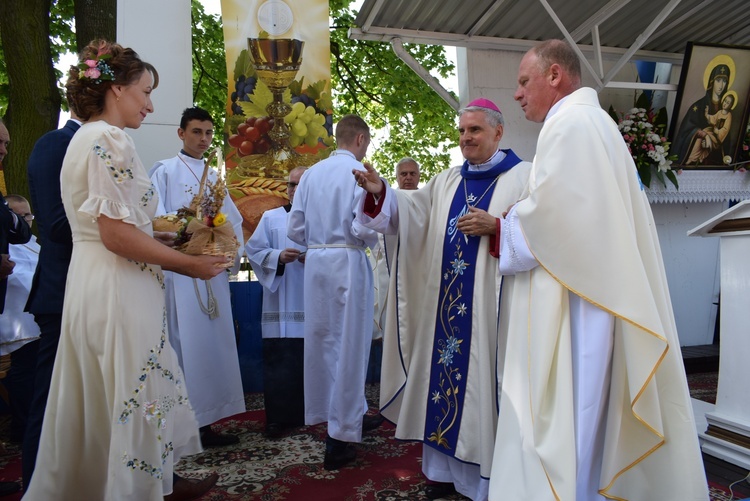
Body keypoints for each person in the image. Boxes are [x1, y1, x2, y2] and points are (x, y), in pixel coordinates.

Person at [487, 39, 708, 501]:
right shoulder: (590, 122)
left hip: (582, 301)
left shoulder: (571, 124)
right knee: (588, 413)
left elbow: (554, 218)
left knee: (574, 417)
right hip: (591, 288)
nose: (518, 94)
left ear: (555, 75)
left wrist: (501, 228)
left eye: (524, 81)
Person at [24, 39, 223, 500]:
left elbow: (110, 226)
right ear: (116, 89)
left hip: (94, 280)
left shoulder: (83, 140)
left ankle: (131, 484)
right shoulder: (107, 138)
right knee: (129, 391)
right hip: (116, 285)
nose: (150, 104)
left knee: (107, 397)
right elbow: (114, 235)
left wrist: (158, 238)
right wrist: (189, 266)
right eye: (145, 91)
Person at [353, 98, 531, 501]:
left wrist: (499, 226)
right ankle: (442, 474)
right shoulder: (448, 180)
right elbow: (413, 212)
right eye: (462, 131)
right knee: (441, 384)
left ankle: (481, 480)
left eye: (475, 130)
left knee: (482, 387)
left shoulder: (524, 177)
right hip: (444, 313)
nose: (466, 138)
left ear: (498, 132)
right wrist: (382, 190)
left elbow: (543, 229)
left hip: (491, 316)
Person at [287, 114, 381, 470]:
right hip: (348, 259)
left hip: (317, 263)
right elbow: (366, 226)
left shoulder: (310, 174)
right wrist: (369, 234)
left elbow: (295, 230)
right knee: (351, 345)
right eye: (367, 142)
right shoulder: (359, 173)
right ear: (359, 140)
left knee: (324, 342)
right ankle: (340, 439)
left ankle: (346, 415)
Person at [149, 106, 246, 447]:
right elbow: (155, 219)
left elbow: (231, 221)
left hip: (211, 269)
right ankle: (181, 427)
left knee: (211, 347)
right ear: (181, 133)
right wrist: (186, 233)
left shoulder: (215, 178)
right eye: (196, 132)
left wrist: (227, 251)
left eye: (207, 133)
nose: (203, 139)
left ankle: (207, 422)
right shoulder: (164, 171)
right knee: (183, 345)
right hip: (179, 270)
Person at [21, 111, 81, 491]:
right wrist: (131, 229)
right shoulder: (55, 145)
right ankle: (35, 488)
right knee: (51, 402)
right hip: (64, 291)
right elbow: (56, 224)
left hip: (92, 288)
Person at [246, 166, 307, 439]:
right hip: (281, 304)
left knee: (312, 360)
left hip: (312, 302)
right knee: (280, 360)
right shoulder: (271, 218)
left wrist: (314, 258)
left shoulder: (322, 218)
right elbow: (254, 250)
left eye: (301, 185)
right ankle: (277, 418)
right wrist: (278, 257)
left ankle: (312, 413)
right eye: (291, 185)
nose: (295, 190)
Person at [0, 195, 41, 446]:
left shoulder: (33, 241)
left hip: (34, 313)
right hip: (18, 317)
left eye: (28, 216)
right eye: (21, 216)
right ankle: (23, 426)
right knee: (25, 371)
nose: (26, 221)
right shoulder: (7, 242)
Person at [673, 61, 731, 166]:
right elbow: (686, 129)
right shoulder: (699, 106)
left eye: (724, 81)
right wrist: (705, 135)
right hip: (696, 159)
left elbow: (726, 138)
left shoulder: (728, 112)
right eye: (718, 80)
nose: (721, 85)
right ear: (712, 82)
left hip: (715, 162)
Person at [686, 91, 736, 165]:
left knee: (705, 142)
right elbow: (713, 118)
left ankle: (700, 157)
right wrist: (707, 115)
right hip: (712, 132)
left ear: (731, 105)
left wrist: (718, 131)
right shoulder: (720, 112)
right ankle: (692, 158)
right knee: (700, 139)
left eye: (728, 103)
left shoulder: (729, 116)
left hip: (717, 139)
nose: (725, 104)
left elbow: (726, 129)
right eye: (725, 101)